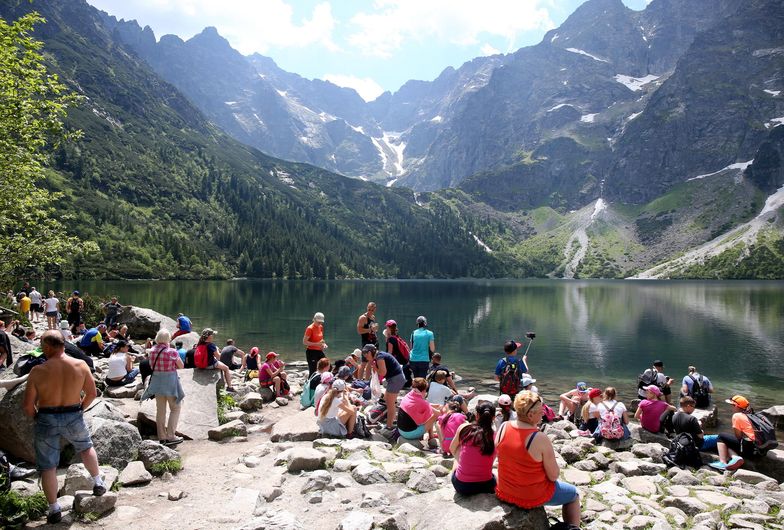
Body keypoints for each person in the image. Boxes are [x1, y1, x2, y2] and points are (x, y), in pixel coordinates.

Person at [22, 331, 106, 524]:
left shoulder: (37, 371)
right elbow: (92, 393)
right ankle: (98, 482)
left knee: (48, 466)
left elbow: (27, 406)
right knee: (85, 447)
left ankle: (54, 509)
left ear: (49, 347)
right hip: (73, 413)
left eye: (42, 345)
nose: (41, 349)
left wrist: (37, 417)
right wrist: (79, 409)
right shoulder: (81, 365)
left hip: (47, 416)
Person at [495, 391, 581, 528]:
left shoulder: (504, 427)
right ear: (530, 415)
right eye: (541, 411)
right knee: (574, 495)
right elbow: (553, 476)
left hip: (505, 490)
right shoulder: (539, 438)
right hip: (530, 495)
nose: (543, 413)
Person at [140, 329, 185, 446]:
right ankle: (171, 436)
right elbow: (181, 366)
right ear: (168, 339)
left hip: (157, 383)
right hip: (170, 383)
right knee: (175, 408)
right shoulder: (172, 352)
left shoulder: (152, 351)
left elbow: (151, 366)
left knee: (160, 411)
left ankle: (162, 437)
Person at [450, 402, 496, 495]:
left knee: (459, 446)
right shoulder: (496, 436)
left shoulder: (465, 428)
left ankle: (462, 468)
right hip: (487, 486)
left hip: (462, 486)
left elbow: (452, 448)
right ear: (494, 418)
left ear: (476, 416)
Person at [362, 344, 406, 435]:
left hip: (395, 379)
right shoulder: (379, 356)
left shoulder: (380, 357)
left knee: (390, 404)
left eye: (366, 354)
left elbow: (382, 372)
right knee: (386, 400)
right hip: (395, 378)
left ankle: (389, 426)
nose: (365, 357)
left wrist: (375, 368)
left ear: (370, 352)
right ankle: (392, 421)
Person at [710, 395, 757, 471]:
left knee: (721, 436)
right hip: (757, 448)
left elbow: (738, 436)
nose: (731, 407)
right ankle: (735, 457)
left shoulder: (737, 416)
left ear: (736, 406)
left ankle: (722, 462)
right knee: (729, 440)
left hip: (748, 448)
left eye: (732, 405)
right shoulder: (752, 415)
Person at [397, 377, 441, 443]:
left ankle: (429, 436)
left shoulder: (410, 395)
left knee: (430, 412)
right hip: (409, 433)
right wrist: (443, 409)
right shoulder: (423, 403)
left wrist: (436, 405)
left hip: (401, 430)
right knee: (433, 416)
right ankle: (431, 437)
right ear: (423, 391)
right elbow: (437, 414)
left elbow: (425, 405)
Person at [385, 320, 413, 388]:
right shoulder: (397, 337)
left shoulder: (391, 339)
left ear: (389, 328)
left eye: (386, 327)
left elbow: (389, 353)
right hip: (403, 361)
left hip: (397, 361)